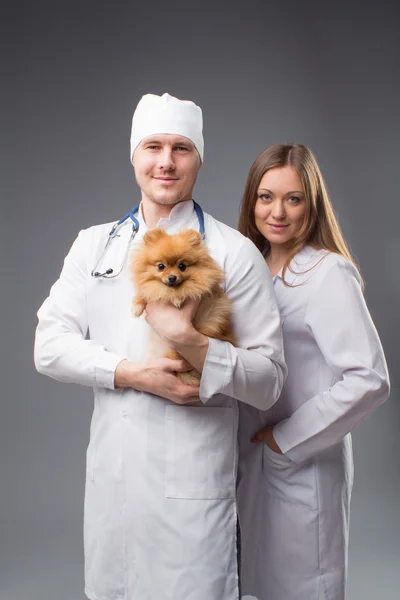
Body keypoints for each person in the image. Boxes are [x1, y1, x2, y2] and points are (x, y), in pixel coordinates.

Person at [34, 93, 287, 600]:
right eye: (153, 146)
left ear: (198, 160)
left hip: (192, 492)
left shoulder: (232, 253)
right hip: (115, 485)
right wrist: (131, 373)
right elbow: (49, 346)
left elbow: (270, 381)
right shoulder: (94, 245)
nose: (166, 162)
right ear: (134, 155)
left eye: (181, 148)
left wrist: (193, 344)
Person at [236, 143, 390, 600]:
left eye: (293, 198)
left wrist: (286, 440)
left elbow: (370, 378)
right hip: (252, 467)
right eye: (266, 197)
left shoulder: (327, 273)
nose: (277, 212)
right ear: (251, 202)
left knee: (304, 587)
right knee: (255, 586)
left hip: (301, 466)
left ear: (312, 203)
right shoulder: (250, 271)